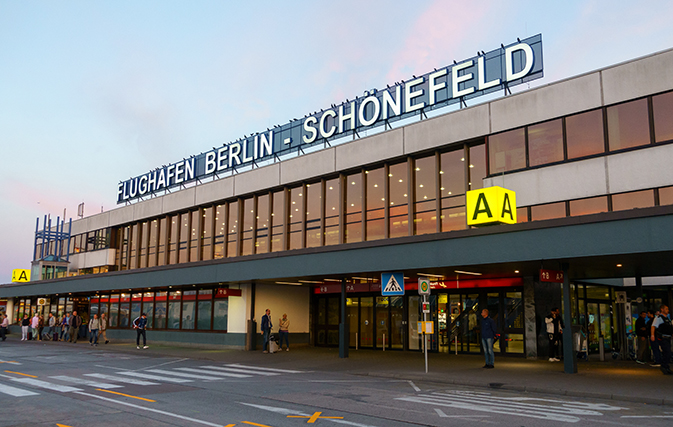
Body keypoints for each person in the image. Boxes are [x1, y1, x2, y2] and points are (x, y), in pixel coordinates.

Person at [651, 304, 672, 375]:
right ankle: (664, 366)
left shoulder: (667, 319)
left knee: (668, 353)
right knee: (667, 352)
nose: (668, 310)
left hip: (668, 337)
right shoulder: (659, 318)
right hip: (663, 338)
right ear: (662, 310)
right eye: (666, 309)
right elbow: (653, 326)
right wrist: (652, 335)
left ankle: (666, 366)